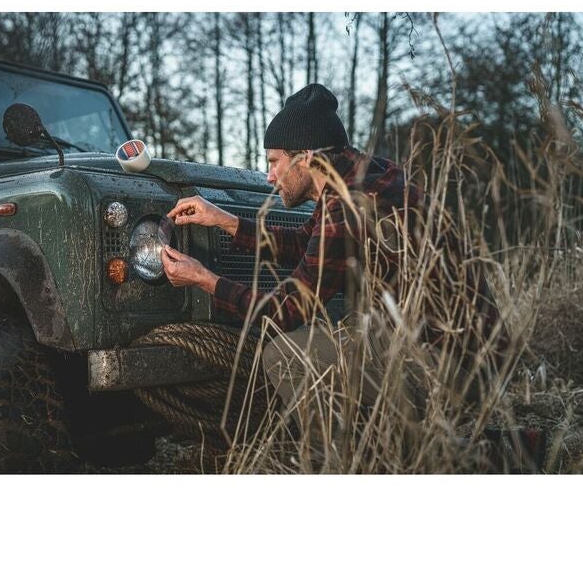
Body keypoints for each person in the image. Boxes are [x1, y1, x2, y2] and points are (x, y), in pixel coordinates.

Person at [160, 83, 425, 429]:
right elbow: (303, 243)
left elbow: (284, 312)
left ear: (307, 158)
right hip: (445, 340)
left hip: (433, 357)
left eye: (274, 162)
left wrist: (203, 279)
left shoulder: (346, 205)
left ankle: (334, 455)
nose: (269, 177)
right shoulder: (363, 175)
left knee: (284, 355)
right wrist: (225, 220)